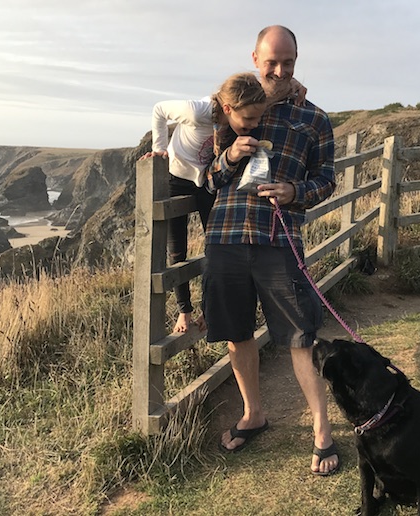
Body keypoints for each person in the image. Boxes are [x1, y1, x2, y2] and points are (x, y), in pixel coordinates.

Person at [203, 25, 339, 476]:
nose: (280, 71)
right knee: (236, 332)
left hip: (280, 243)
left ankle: (322, 430)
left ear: (297, 62)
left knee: (300, 335)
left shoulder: (313, 118)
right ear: (255, 58)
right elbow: (208, 178)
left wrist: (294, 190)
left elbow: (327, 179)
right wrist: (228, 159)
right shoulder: (229, 112)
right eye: (272, 62)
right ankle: (253, 413)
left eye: (289, 63)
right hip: (225, 238)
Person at [141, 73, 307, 334]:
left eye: (257, 119)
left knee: (215, 245)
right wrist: (160, 149)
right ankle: (184, 311)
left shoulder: (241, 108)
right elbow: (159, 110)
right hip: (177, 177)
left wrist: (292, 85)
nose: (254, 124)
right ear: (229, 109)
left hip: (207, 178)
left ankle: (209, 310)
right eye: (249, 119)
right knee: (177, 249)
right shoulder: (198, 112)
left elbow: (259, 83)